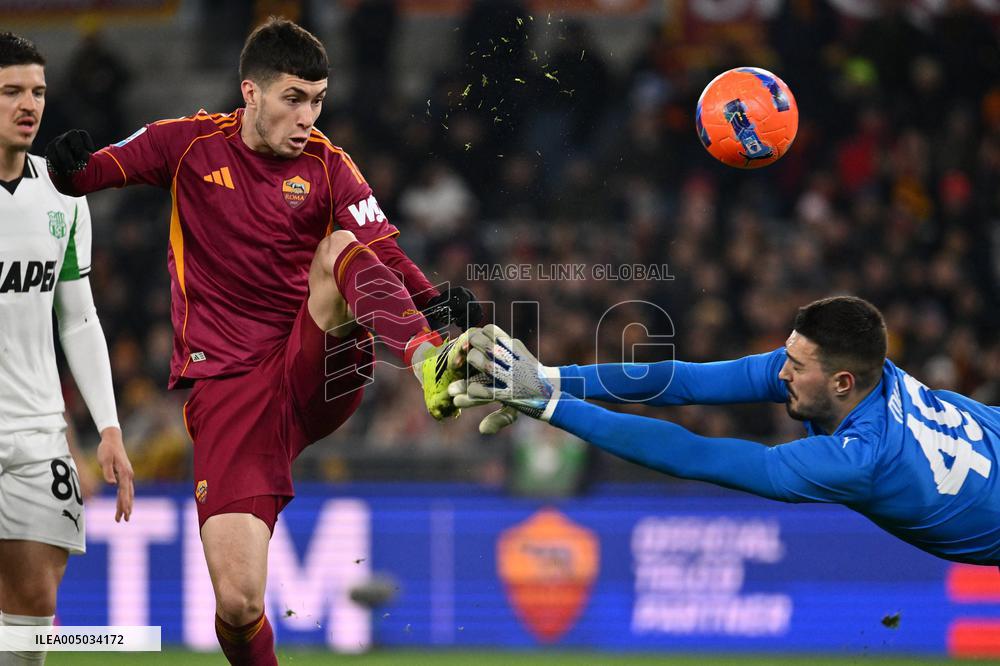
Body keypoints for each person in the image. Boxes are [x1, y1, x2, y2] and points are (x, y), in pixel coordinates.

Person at [44, 18, 477, 666]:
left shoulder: (329, 166)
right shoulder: (188, 145)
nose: (308, 116)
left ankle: (427, 364)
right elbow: (87, 173)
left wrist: (431, 306)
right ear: (251, 92)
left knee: (338, 250)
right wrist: (66, 161)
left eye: (318, 100)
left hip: (314, 366)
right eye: (294, 98)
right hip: (229, 390)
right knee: (240, 604)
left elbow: (380, 248)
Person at [455, 296, 1000, 566]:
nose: (780, 371)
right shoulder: (859, 374)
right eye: (786, 355)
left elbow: (694, 455)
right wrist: (551, 377)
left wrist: (545, 403)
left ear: (841, 382)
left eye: (796, 365)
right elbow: (683, 382)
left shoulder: (861, 459)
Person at [0, 32, 133, 666]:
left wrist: (107, 427)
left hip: (38, 434)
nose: (28, 105)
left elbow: (77, 317)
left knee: (31, 619)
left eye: (38, 92)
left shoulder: (63, 195)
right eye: (11, 92)